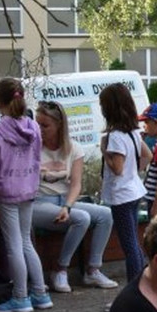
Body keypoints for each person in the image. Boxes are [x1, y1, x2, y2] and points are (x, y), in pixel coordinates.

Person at [30, 101, 119, 293]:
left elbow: (76, 184)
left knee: (105, 214)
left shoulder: (73, 148)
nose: (39, 129)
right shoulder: (32, 146)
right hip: (38, 202)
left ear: (59, 125)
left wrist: (67, 206)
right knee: (81, 218)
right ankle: (60, 269)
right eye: (37, 123)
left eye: (45, 125)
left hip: (64, 200)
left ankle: (93, 270)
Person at [0, 78, 51, 312]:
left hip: (6, 193)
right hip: (28, 190)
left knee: (14, 246)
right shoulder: (34, 127)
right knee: (26, 242)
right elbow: (36, 160)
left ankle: (21, 297)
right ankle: (40, 293)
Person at [99, 83, 149, 283]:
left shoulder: (114, 137)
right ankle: (141, 283)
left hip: (121, 195)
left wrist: (104, 151)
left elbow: (117, 168)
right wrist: (134, 171)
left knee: (129, 245)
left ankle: (135, 286)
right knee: (134, 242)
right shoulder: (133, 132)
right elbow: (147, 155)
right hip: (134, 190)